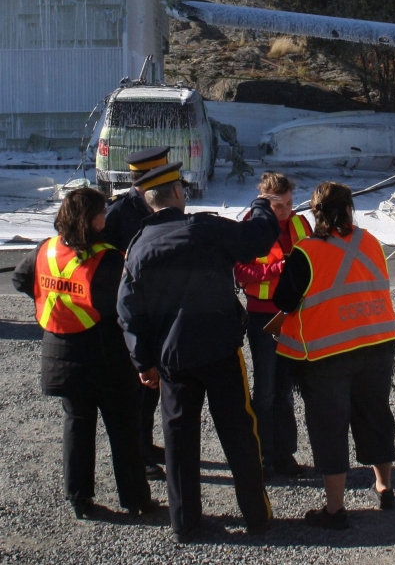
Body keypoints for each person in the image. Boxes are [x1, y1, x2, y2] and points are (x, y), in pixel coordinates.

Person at [117, 162, 280, 542]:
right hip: (220, 350)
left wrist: (143, 361)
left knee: (178, 440)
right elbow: (257, 239)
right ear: (176, 194)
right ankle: (256, 515)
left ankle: (185, 523)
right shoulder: (207, 229)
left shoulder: (138, 247)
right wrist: (261, 203)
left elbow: (127, 310)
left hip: (172, 361)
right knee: (240, 432)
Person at [13, 188, 154, 520]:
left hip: (60, 354)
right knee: (122, 429)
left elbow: (21, 280)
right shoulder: (108, 259)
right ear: (90, 220)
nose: (107, 217)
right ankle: (134, 498)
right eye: (102, 212)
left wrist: (56, 300)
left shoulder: (45, 250)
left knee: (77, 426)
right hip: (105, 357)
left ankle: (79, 498)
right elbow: (125, 307)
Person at [272, 182, 395, 531]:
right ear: (349, 209)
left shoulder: (306, 252)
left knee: (329, 427)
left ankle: (335, 510)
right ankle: (385, 487)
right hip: (377, 343)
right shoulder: (371, 241)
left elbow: (283, 301)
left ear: (315, 214)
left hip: (328, 354)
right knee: (374, 414)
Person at [234, 172, 310, 479]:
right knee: (264, 390)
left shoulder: (300, 224)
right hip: (263, 317)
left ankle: (285, 455)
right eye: (281, 206)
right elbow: (241, 271)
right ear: (266, 200)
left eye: (291, 203)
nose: (287, 210)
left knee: (285, 389)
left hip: (293, 316)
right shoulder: (251, 226)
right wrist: (278, 268)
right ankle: (262, 455)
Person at [103, 146, 171, 481]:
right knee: (136, 387)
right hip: (131, 311)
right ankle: (137, 452)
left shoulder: (159, 205)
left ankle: (146, 441)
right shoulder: (119, 212)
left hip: (158, 309)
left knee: (153, 385)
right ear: (143, 180)